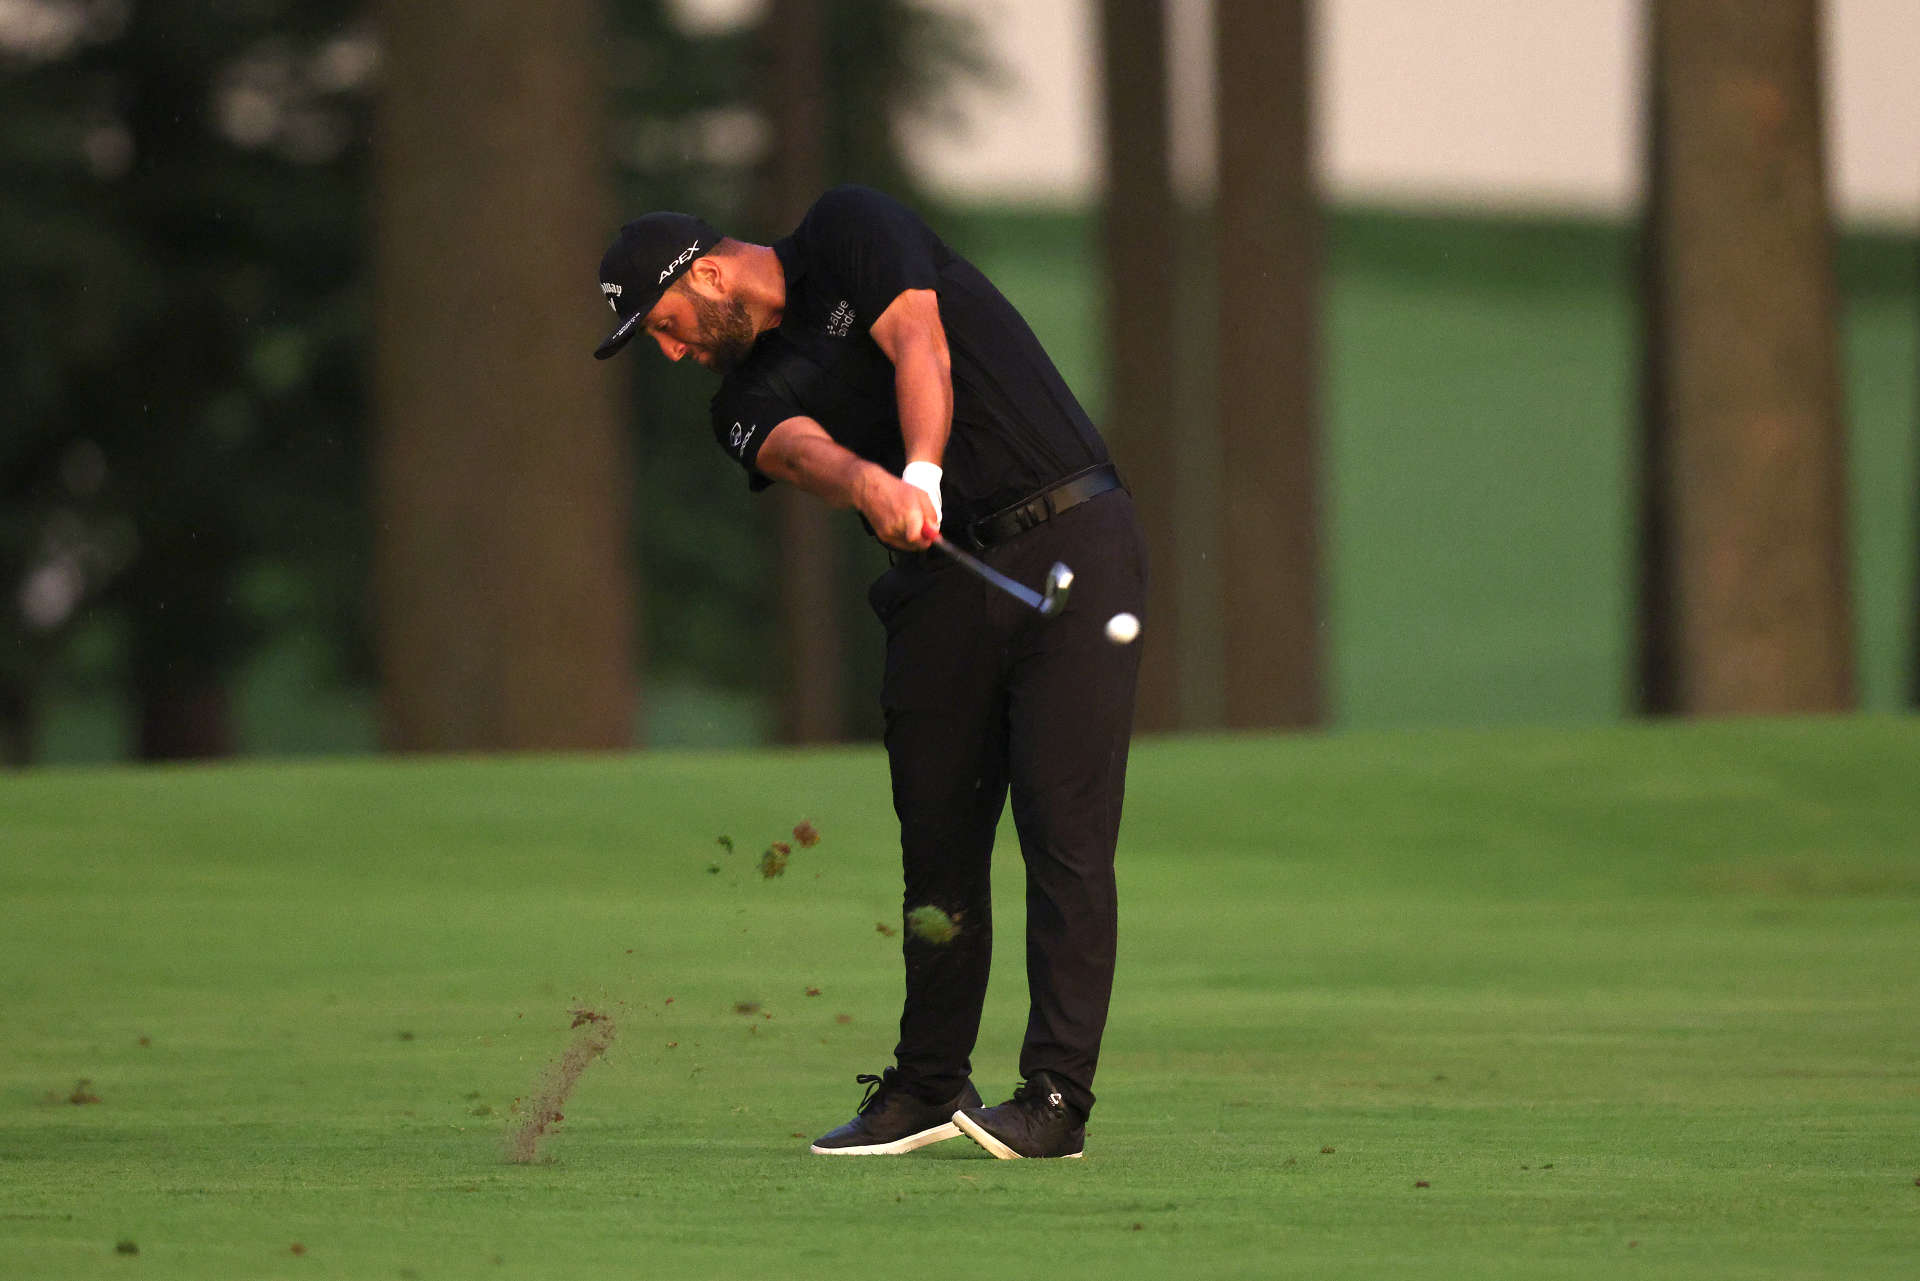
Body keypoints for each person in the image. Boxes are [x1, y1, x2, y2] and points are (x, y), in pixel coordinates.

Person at [592, 186, 1145, 1160]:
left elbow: (920, 345)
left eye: (667, 327)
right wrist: (869, 485)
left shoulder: (848, 231)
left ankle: (1057, 1100)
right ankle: (931, 1086)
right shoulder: (740, 396)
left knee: (1064, 835)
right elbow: (797, 450)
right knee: (938, 854)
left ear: (706, 273)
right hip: (939, 588)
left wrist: (919, 472)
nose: (671, 353)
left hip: (1070, 536)